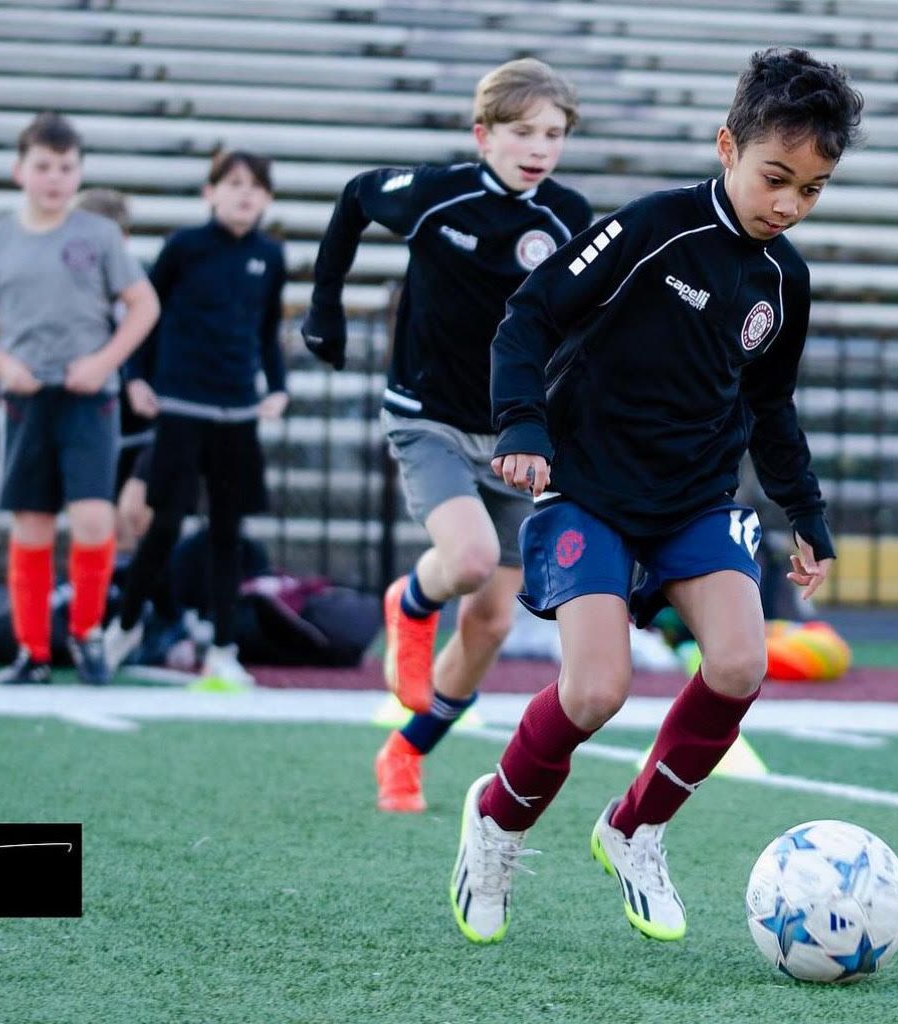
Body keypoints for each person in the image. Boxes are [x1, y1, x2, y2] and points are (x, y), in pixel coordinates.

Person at [449, 47, 862, 944]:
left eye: (815, 189)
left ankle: (634, 827)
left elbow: (770, 405)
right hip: (589, 490)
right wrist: (521, 423)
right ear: (728, 146)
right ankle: (495, 823)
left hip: (699, 498)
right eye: (776, 178)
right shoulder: (655, 227)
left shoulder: (785, 280)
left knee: (741, 666)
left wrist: (809, 517)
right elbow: (530, 312)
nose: (789, 204)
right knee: (595, 691)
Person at [302, 59, 592, 813]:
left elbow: (590, 315)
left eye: (553, 135)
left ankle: (405, 750)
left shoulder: (567, 216)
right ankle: (410, 601)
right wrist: (324, 308)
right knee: (466, 560)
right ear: (483, 133)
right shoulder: (440, 196)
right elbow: (356, 197)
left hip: (514, 439)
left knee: (494, 620)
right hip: (426, 416)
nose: (538, 148)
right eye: (522, 131)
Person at [0, 112, 159, 685]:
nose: (55, 177)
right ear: (20, 170)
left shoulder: (99, 236)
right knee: (32, 524)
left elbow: (144, 306)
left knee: (92, 519)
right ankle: (31, 652)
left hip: (89, 398)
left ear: (78, 174)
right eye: (43, 165)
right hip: (26, 397)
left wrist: (101, 363)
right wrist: (4, 365)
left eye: (67, 167)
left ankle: (87, 632)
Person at [102, 149, 289, 687]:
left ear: (268, 199)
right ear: (210, 192)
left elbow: (268, 331)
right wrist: (136, 377)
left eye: (255, 186)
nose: (244, 194)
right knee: (164, 523)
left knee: (228, 532)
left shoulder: (271, 257)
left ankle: (223, 648)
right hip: (182, 407)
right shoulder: (183, 247)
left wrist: (277, 388)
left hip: (237, 413)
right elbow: (147, 317)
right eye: (232, 183)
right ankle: (127, 624)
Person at [70, 187, 156, 552]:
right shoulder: (68, 286)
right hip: (91, 418)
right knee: (94, 520)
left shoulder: (145, 286)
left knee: (137, 515)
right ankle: (104, 598)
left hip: (140, 422)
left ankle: (147, 599)